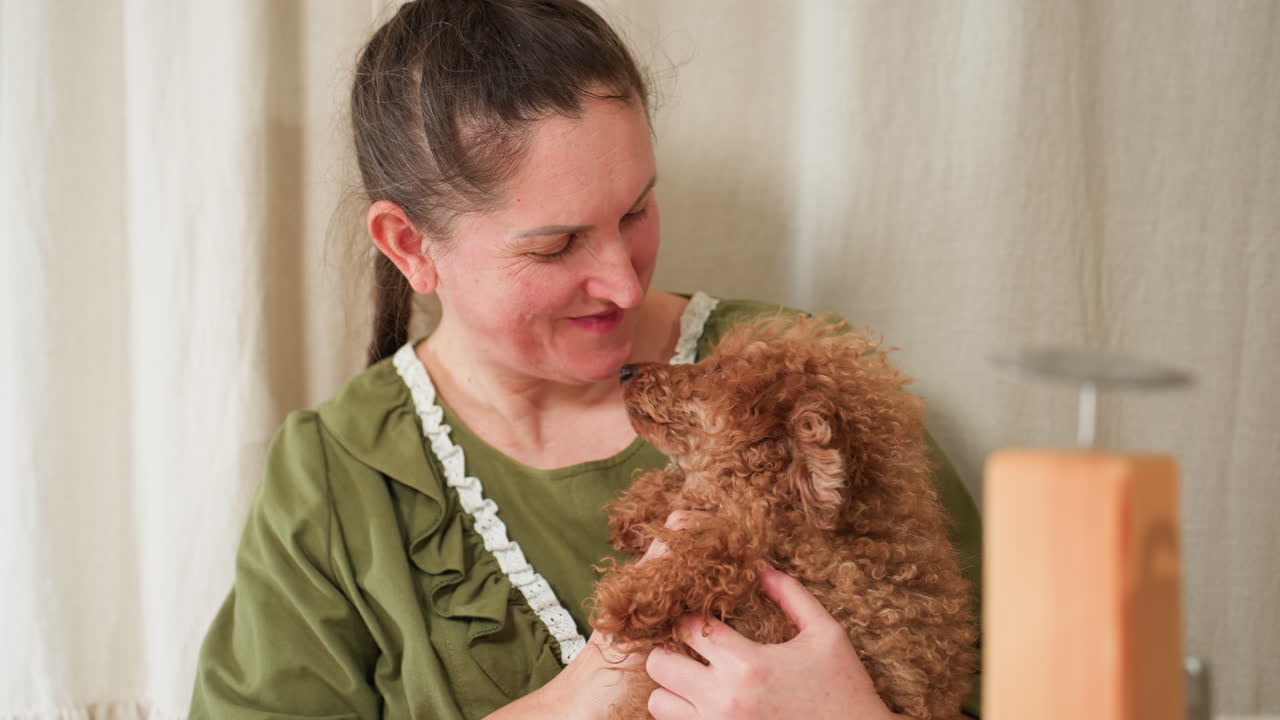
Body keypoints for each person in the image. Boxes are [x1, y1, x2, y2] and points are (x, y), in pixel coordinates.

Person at [189, 1, 983, 718]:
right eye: (557, 245)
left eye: (636, 210)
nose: (623, 284)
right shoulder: (336, 480)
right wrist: (590, 690)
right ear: (410, 246)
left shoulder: (804, 388)